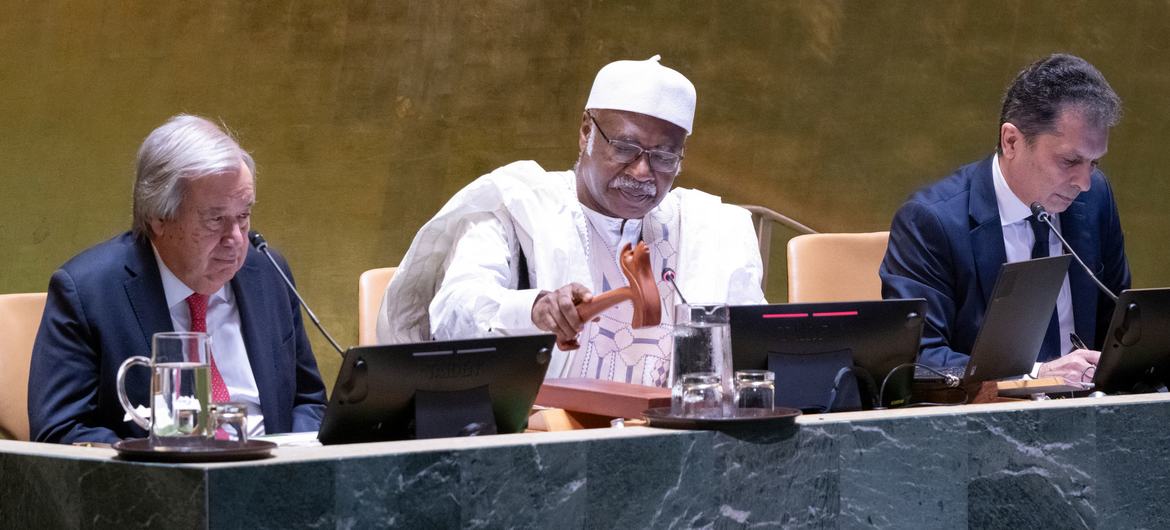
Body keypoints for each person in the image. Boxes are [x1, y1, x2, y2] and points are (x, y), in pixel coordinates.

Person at [377, 55, 765, 387]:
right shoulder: (517, 206)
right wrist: (535, 308)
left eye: (664, 157)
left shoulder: (707, 230)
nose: (644, 172)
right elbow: (453, 314)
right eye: (626, 148)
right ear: (586, 132)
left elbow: (756, 348)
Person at [28, 115, 327, 444]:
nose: (237, 239)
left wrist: (290, 461)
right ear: (158, 216)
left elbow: (309, 402)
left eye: (243, 217)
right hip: (155, 486)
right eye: (215, 219)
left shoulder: (269, 274)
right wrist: (159, 468)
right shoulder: (88, 292)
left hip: (273, 480)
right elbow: (62, 430)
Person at [881, 53, 1130, 383]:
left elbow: (1122, 327)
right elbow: (917, 360)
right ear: (1011, 141)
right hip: (983, 424)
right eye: (1070, 161)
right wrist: (1037, 375)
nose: (1083, 182)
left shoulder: (1095, 197)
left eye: (1094, 163)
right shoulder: (930, 222)